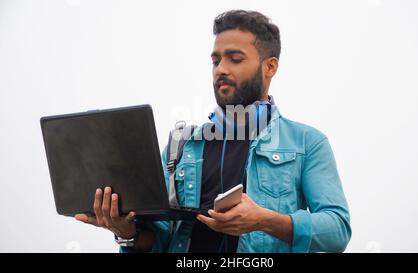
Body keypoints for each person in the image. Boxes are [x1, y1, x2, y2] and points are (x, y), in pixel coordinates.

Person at [75, 10, 352, 253]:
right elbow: (157, 238)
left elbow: (338, 230)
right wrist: (127, 232)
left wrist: (263, 220)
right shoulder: (180, 146)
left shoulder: (307, 143)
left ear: (270, 67)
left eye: (235, 59)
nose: (221, 69)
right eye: (216, 60)